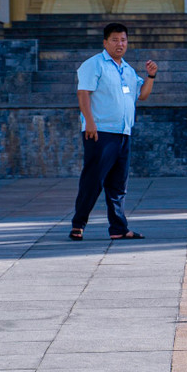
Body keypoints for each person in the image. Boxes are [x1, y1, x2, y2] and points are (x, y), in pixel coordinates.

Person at [69, 23, 158, 241]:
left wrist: (151, 76)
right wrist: (89, 122)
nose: (120, 44)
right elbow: (83, 94)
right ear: (105, 42)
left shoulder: (127, 69)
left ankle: (118, 228)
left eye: (124, 40)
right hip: (100, 133)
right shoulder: (94, 64)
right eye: (115, 40)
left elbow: (142, 95)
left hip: (123, 133)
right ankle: (78, 225)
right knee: (93, 181)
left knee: (118, 185)